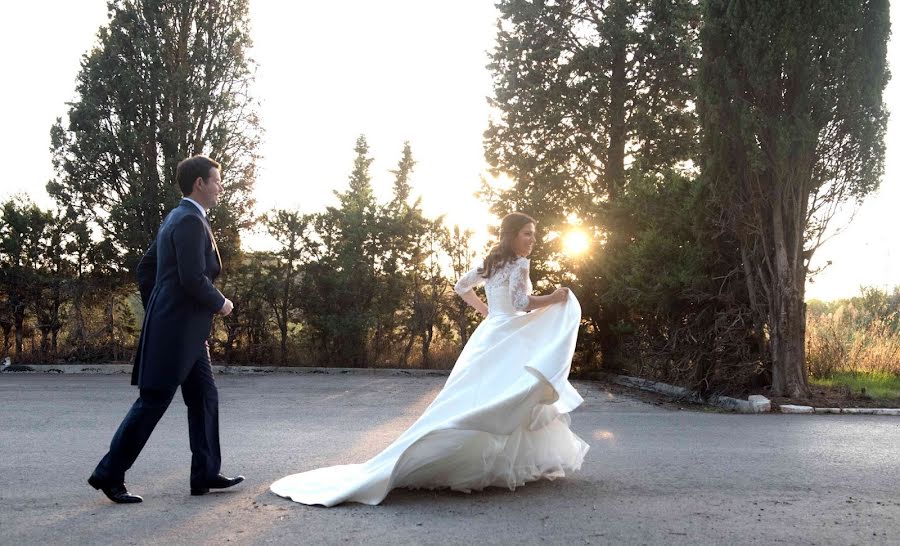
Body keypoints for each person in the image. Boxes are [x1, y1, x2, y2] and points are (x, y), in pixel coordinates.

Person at [271, 212, 588, 506]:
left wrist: (489, 314)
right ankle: (485, 462)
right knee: (509, 397)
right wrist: (555, 298)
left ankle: (477, 459)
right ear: (511, 236)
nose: (532, 239)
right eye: (527, 234)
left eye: (533, 234)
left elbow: (462, 287)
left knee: (483, 397)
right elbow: (521, 302)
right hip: (506, 337)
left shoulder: (490, 262)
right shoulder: (518, 264)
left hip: (491, 334)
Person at [88, 155, 244, 503]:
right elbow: (192, 278)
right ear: (199, 183)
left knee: (204, 397)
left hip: (184, 332)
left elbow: (147, 270)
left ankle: (204, 473)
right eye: (216, 180)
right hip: (177, 333)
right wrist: (220, 303)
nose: (221, 186)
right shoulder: (188, 220)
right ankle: (108, 475)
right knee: (153, 402)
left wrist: (161, 306)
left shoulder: (179, 217)